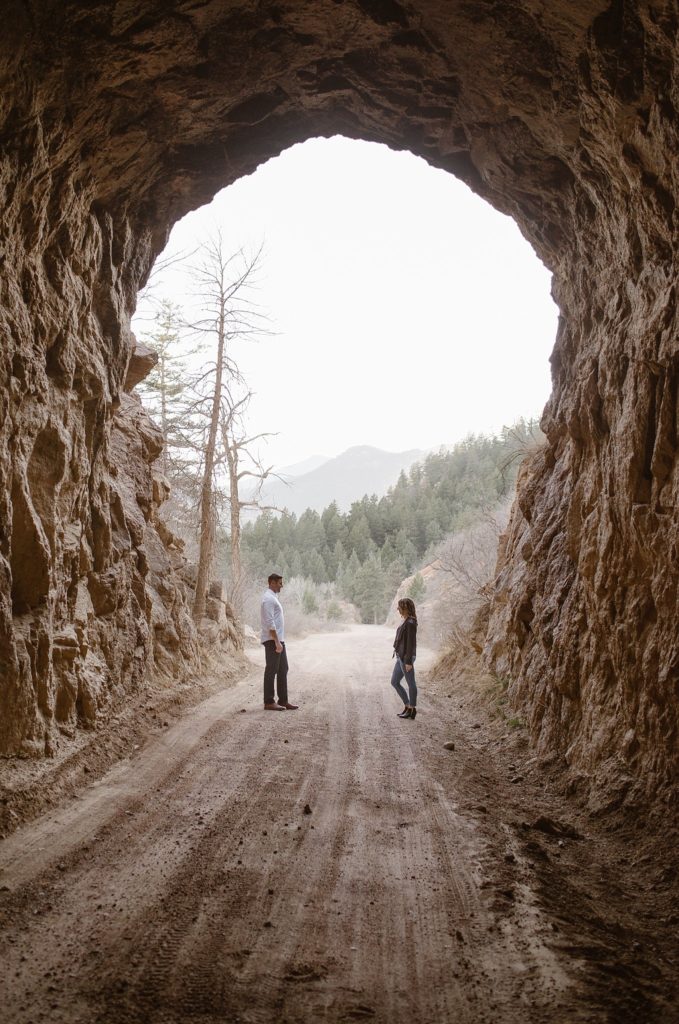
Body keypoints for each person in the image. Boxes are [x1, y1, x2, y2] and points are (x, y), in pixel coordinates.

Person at [260, 573, 298, 711]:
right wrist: (276, 642)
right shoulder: (268, 599)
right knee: (271, 670)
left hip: (278, 640)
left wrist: (279, 641)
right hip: (272, 641)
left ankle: (283, 700)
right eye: (280, 583)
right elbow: (270, 622)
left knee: (283, 669)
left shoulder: (273, 597)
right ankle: (269, 701)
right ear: (272, 583)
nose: (282, 585)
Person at [391, 597, 418, 720]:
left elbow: (410, 644)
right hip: (400, 656)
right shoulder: (406, 621)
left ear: (406, 608)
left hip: (406, 658)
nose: (398, 609)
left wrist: (408, 662)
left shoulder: (411, 623)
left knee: (411, 683)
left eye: (400, 607)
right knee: (394, 682)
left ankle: (412, 709)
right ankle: (407, 706)